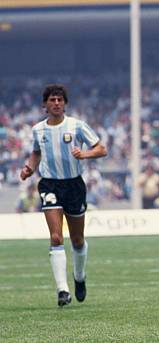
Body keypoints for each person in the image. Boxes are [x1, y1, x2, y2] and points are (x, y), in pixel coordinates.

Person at [20, 84, 107, 307]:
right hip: (50, 185)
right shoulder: (38, 130)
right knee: (56, 237)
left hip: (74, 186)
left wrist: (84, 154)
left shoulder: (76, 126)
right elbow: (36, 153)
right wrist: (29, 168)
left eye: (60, 100)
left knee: (77, 240)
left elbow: (101, 149)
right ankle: (62, 290)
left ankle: (79, 278)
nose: (56, 103)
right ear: (45, 105)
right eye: (52, 100)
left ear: (65, 104)